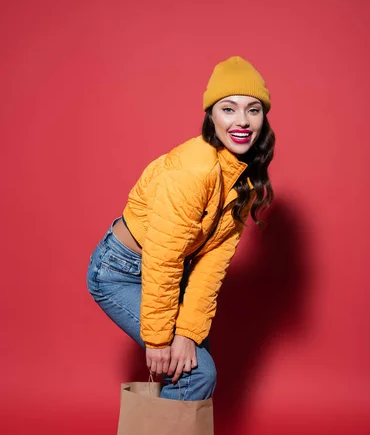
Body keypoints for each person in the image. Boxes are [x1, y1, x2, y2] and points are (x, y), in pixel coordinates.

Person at [86, 56, 275, 401]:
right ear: (211, 116)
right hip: (121, 271)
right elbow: (164, 255)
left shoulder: (243, 179)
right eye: (229, 109)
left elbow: (211, 264)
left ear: (263, 117)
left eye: (253, 110)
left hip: (167, 271)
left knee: (191, 353)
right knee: (195, 373)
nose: (242, 121)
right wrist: (159, 340)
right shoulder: (194, 169)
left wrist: (188, 332)